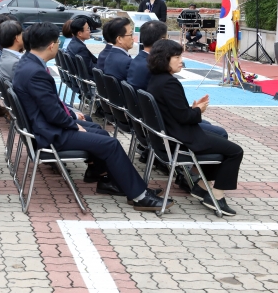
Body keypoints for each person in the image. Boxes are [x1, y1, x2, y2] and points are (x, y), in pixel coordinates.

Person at [12, 22, 168, 211]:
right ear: (52, 45)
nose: (59, 47)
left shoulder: (27, 63)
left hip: (42, 126)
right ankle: (140, 196)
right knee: (111, 144)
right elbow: (53, 113)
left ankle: (107, 179)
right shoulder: (35, 72)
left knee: (98, 131)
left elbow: (49, 106)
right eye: (58, 43)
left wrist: (72, 118)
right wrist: (72, 123)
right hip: (49, 134)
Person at [147, 39, 244, 216]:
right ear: (164, 59)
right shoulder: (169, 83)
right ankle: (217, 196)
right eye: (177, 57)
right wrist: (198, 110)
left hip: (168, 135)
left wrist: (191, 109)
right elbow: (184, 118)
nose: (181, 60)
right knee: (235, 151)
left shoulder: (156, 80)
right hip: (180, 138)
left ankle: (200, 186)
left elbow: (175, 112)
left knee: (221, 141)